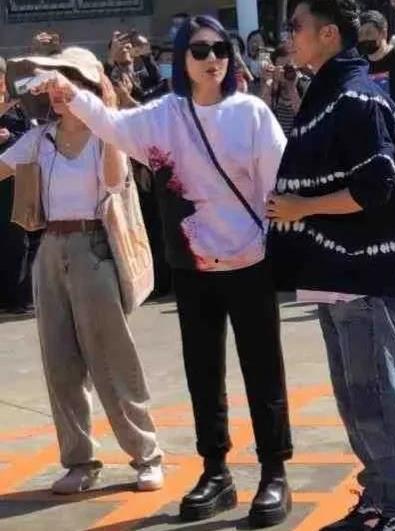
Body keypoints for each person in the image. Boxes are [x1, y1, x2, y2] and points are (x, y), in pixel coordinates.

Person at [32, 16, 293, 528]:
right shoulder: (165, 115)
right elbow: (111, 125)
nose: (213, 59)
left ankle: (274, 472)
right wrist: (71, 94)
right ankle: (215, 471)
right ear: (181, 59)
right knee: (203, 373)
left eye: (221, 49)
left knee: (263, 370)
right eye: (200, 50)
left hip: (250, 264)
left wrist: (265, 241)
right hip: (191, 267)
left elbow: (277, 184)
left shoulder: (252, 113)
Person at [266, 0, 395, 530]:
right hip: (335, 273)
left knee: (377, 398)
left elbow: (375, 186)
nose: (289, 35)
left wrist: (302, 207)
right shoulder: (329, 93)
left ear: (329, 34)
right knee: (356, 400)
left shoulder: (357, 96)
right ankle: (378, 501)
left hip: (364, 276)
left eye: (297, 26)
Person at [0, 47, 164, 495]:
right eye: (53, 82)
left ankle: (146, 455)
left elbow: (112, 182)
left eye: (68, 80)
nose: (57, 90)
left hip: (93, 248)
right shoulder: (40, 138)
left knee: (111, 358)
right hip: (49, 251)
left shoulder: (105, 135)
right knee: (60, 363)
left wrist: (104, 117)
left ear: (89, 87)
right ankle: (79, 461)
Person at [0, 57, 33, 314]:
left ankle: (16, 297)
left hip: (15, 181)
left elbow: (32, 135)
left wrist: (10, 136)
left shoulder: (18, 106)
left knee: (17, 239)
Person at [260, 43, 310, 137]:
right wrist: (268, 82)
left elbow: (304, 117)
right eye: (280, 68)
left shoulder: (305, 84)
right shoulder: (273, 84)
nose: (284, 72)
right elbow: (262, 115)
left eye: (288, 68)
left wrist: (290, 85)